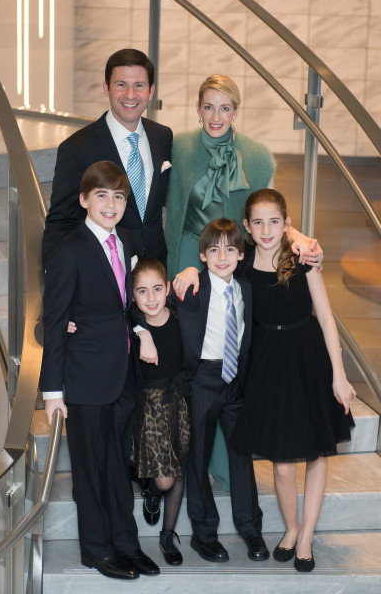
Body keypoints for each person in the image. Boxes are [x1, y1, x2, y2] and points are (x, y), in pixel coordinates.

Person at [165, 74, 322, 492]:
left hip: (232, 258)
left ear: (237, 111)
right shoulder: (177, 147)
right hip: (188, 257)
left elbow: (266, 214)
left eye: (226, 107)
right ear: (198, 108)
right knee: (190, 360)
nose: (216, 116)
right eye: (209, 106)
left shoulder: (256, 155)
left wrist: (299, 236)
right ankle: (179, 460)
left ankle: (222, 462)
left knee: (227, 355)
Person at [39, 161, 160, 580]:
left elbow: (126, 303)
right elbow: (54, 323)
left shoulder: (126, 241)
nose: (111, 204)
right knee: (90, 469)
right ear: (85, 199)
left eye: (119, 196)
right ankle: (95, 548)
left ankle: (125, 542)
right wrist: (52, 392)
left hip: (123, 374)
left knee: (116, 466)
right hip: (85, 380)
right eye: (103, 195)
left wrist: (142, 330)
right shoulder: (68, 250)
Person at [228, 189, 355, 572]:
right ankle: (291, 525)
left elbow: (327, 317)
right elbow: (209, 256)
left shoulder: (303, 258)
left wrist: (340, 375)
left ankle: (307, 534)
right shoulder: (242, 259)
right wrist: (186, 271)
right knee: (282, 464)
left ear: (287, 223)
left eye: (275, 221)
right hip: (266, 361)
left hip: (308, 355)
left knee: (317, 451)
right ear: (247, 228)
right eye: (258, 222)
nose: (267, 229)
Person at [153, 218, 269, 563]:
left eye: (230, 249)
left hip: (236, 381)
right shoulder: (191, 288)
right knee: (198, 458)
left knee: (241, 457)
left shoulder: (245, 286)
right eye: (214, 250)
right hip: (202, 379)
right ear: (202, 255)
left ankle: (251, 530)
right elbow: (152, 306)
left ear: (240, 255)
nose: (222, 256)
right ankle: (204, 535)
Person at [42, 48, 173, 266]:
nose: (130, 95)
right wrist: (58, 277)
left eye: (139, 85)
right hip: (101, 274)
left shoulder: (163, 136)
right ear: (106, 88)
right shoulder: (76, 148)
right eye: (121, 85)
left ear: (151, 91)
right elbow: (60, 221)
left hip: (154, 277)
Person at [130, 258, 191, 566]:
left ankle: (167, 534)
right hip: (149, 407)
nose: (151, 298)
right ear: (133, 296)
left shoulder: (181, 317)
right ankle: (152, 491)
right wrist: (141, 331)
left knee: (178, 469)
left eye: (157, 289)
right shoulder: (132, 323)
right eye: (142, 292)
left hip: (179, 401)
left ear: (168, 288)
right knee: (165, 479)